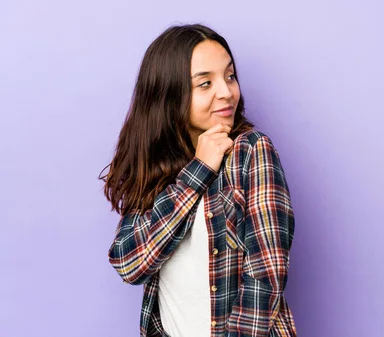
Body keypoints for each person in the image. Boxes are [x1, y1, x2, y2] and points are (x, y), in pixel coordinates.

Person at [100, 24, 296, 337]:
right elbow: (129, 262)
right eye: (205, 83)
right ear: (169, 96)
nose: (226, 91)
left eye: (230, 76)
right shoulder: (158, 171)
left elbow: (265, 277)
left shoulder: (250, 151)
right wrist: (200, 168)